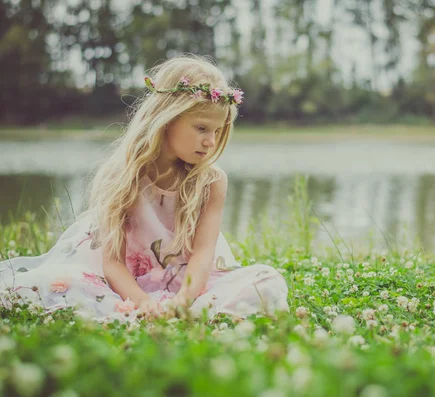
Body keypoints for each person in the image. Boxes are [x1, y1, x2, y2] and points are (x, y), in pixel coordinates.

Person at [0, 54, 290, 321]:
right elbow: (112, 263)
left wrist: (182, 302)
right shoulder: (122, 176)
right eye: (202, 128)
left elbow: (202, 256)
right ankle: (140, 310)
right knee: (62, 285)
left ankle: (180, 310)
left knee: (267, 281)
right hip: (121, 280)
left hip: (187, 280)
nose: (211, 142)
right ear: (166, 119)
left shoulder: (211, 181)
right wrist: (140, 301)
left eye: (217, 131)